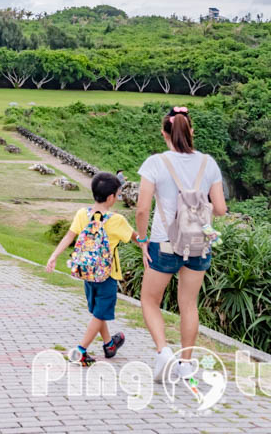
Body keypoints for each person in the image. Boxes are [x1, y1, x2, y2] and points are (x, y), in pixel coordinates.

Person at [135, 106, 227, 382]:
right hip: (198, 242)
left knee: (150, 300)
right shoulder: (208, 163)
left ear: (164, 133)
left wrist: (142, 240)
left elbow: (142, 209)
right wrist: (199, 205)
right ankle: (186, 364)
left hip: (164, 243)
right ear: (191, 131)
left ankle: (164, 352)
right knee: (189, 303)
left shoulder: (155, 163)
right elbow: (221, 209)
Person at [46, 172, 137, 366]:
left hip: (87, 272)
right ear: (111, 197)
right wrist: (149, 245)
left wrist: (54, 256)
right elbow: (136, 237)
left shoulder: (82, 214)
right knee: (100, 313)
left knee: (98, 311)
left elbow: (69, 237)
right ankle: (80, 350)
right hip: (108, 274)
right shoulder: (116, 220)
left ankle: (109, 345)